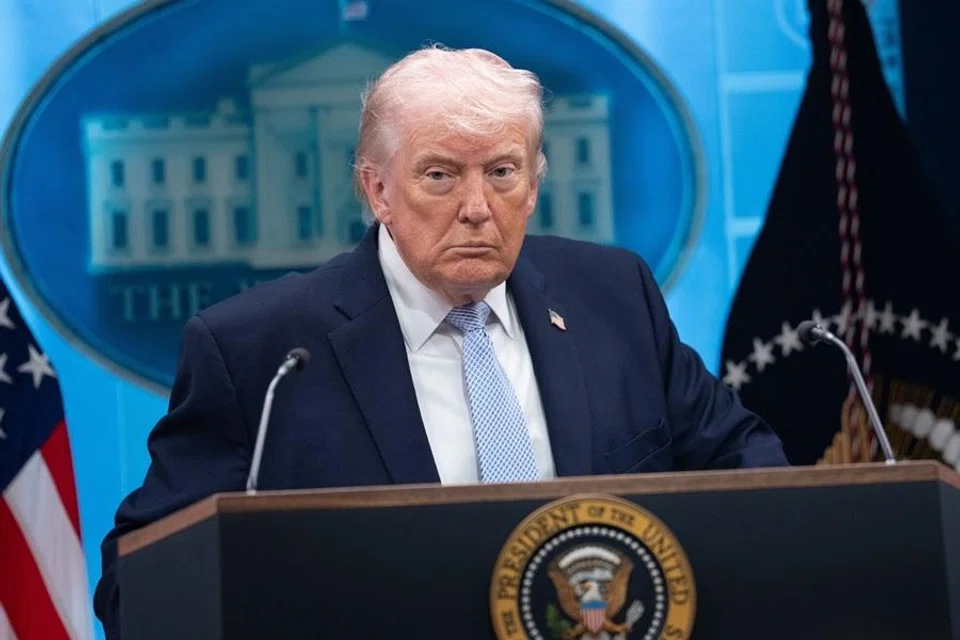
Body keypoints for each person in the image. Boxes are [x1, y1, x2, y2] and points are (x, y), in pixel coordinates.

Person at [93, 45, 787, 636]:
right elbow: (140, 583)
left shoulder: (614, 297)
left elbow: (749, 469)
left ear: (535, 182)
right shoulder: (261, 352)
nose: (477, 207)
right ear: (378, 192)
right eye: (440, 175)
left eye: (502, 172)